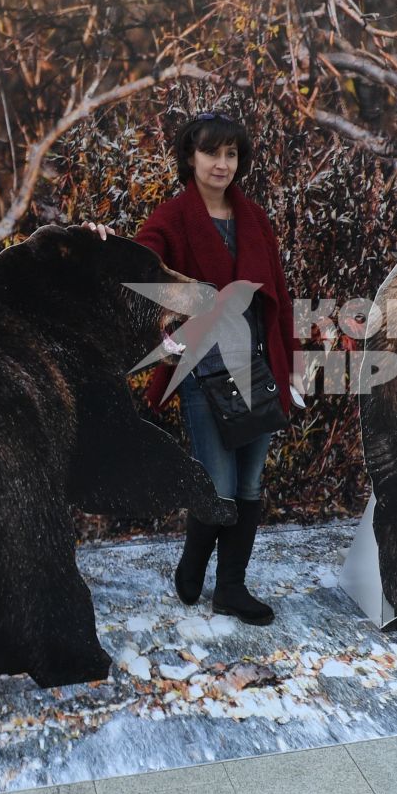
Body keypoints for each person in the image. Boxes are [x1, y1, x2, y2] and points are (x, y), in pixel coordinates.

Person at [135, 110, 296, 626]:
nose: (222, 164)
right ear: (190, 157)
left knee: (248, 487)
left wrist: (287, 364)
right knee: (219, 487)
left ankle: (231, 588)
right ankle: (194, 558)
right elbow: (141, 266)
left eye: (231, 154)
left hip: (256, 367)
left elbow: (280, 301)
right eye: (211, 152)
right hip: (203, 371)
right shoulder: (173, 218)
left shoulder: (253, 219)